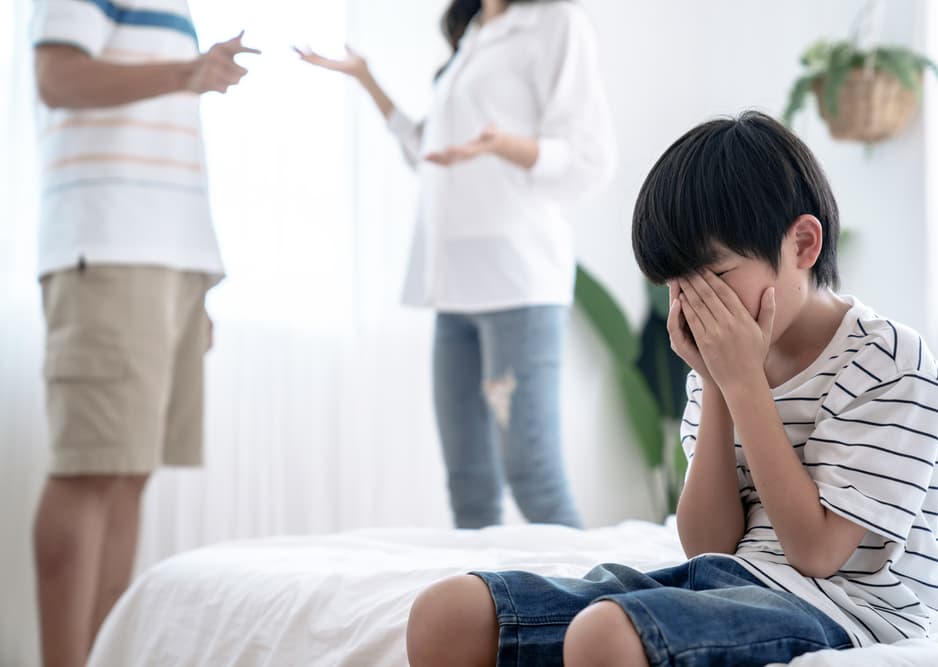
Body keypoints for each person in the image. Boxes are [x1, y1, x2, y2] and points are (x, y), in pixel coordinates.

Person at [404, 111, 938, 666]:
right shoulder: (721, 366)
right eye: (676, 287)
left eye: (715, 278)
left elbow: (816, 553)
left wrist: (742, 385)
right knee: (449, 613)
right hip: (721, 582)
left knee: (607, 636)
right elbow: (709, 546)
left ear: (803, 245)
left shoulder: (890, 362)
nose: (694, 308)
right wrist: (716, 384)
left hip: (843, 612)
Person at [297, 0, 615, 529]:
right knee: (468, 485)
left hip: (518, 283)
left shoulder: (556, 24)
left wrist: (505, 146)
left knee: (533, 476)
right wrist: (367, 80)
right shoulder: (471, 31)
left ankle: (584, 606)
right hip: (452, 288)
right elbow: (432, 153)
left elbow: (590, 160)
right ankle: (483, 608)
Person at [30, 2, 258, 665]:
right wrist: (187, 71)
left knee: (130, 471)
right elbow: (58, 77)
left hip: (169, 259)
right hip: (109, 248)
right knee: (90, 470)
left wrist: (195, 278)